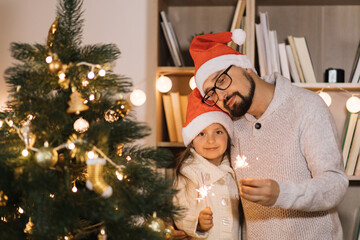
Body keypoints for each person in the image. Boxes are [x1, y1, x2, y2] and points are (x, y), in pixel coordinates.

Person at [188, 29, 349, 239]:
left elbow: (334, 185)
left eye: (222, 80)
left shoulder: (306, 106)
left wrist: (281, 194)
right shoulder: (229, 126)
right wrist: (184, 224)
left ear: (246, 67)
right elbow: (202, 176)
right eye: (211, 93)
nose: (221, 95)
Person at [172, 88, 242, 240]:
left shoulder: (234, 170)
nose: (211, 140)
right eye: (201, 134)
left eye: (218, 132)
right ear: (192, 140)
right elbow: (179, 211)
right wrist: (197, 222)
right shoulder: (189, 172)